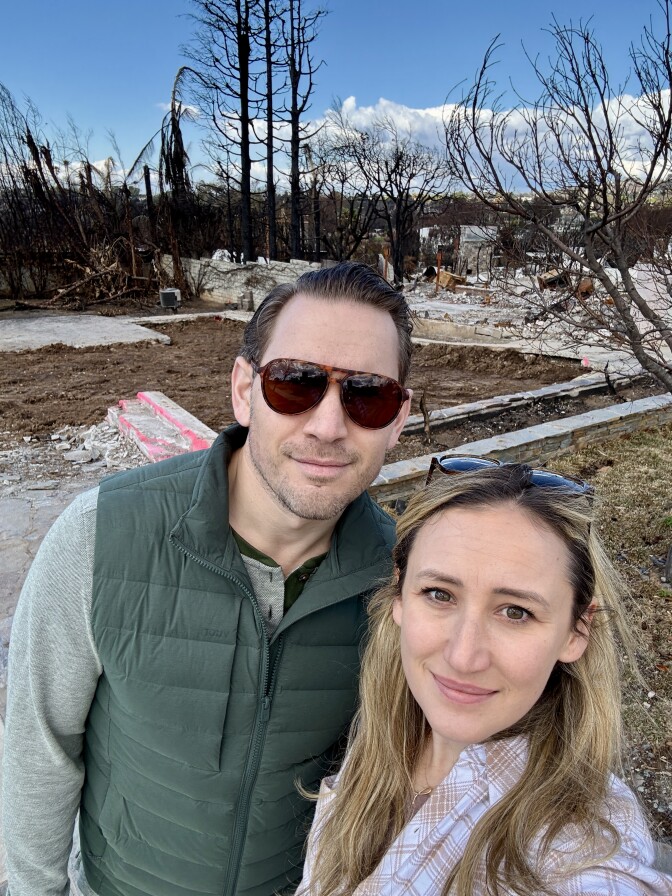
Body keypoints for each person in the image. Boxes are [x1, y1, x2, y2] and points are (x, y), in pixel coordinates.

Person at [2, 261, 413, 896]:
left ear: (398, 419)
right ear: (244, 388)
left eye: (368, 395)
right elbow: (39, 749)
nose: (329, 426)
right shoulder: (100, 537)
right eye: (296, 383)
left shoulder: (404, 585)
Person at [297, 457, 672, 896]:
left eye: (516, 612)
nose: (463, 656)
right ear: (399, 595)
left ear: (577, 630)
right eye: (439, 594)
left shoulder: (579, 846)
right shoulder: (373, 760)